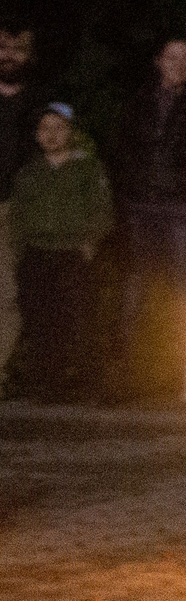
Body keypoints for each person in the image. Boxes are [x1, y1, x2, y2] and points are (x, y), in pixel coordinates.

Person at [110, 38, 186, 402]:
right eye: (172, 57)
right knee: (137, 285)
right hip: (141, 204)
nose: (179, 64)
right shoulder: (139, 102)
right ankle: (126, 374)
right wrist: (127, 194)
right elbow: (122, 150)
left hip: (184, 206)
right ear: (158, 61)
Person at [10, 104, 111, 398]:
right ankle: (48, 385)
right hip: (37, 254)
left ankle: (94, 385)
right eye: (45, 129)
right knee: (41, 322)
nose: (52, 135)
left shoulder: (88, 168)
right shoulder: (29, 172)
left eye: (59, 128)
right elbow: (17, 216)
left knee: (83, 320)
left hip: (74, 253)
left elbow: (103, 210)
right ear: (38, 135)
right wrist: (21, 251)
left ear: (70, 132)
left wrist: (90, 241)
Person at [0, 22, 42, 388]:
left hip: (14, 208)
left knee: (8, 295)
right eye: (3, 47)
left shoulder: (38, 104)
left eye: (18, 49)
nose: (9, 56)